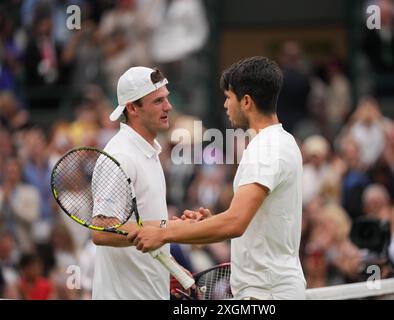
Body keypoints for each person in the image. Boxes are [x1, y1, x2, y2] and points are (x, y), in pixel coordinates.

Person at [129, 56, 306, 300]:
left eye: (228, 97)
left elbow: (235, 223)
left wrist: (162, 234)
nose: (225, 105)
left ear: (246, 102)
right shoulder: (281, 141)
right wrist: (208, 224)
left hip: (267, 294)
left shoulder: (266, 149)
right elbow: (250, 221)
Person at [91, 66, 179, 300]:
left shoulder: (147, 151)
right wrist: (171, 229)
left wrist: (172, 268)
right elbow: (101, 230)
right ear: (132, 108)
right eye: (158, 101)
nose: (168, 107)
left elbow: (145, 226)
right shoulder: (120, 156)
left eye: (166, 99)